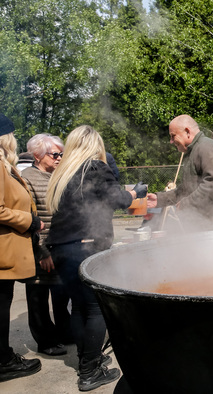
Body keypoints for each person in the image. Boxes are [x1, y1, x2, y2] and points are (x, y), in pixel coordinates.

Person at [45, 125, 147, 391]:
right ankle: (89, 372)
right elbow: (119, 200)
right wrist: (136, 192)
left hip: (61, 248)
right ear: (94, 145)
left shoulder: (63, 173)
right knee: (95, 308)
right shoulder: (95, 168)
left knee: (79, 307)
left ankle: (86, 360)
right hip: (87, 246)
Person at [0, 113, 43, 382]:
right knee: (1, 307)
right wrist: (29, 221)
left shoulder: (6, 166)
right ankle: (4, 362)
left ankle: (3, 355)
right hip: (3, 250)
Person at [21, 134, 72, 357]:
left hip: (61, 245)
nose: (60, 158)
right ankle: (45, 340)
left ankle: (64, 331)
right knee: (38, 296)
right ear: (37, 156)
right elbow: (28, 218)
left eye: (62, 154)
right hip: (39, 248)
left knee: (62, 293)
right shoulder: (26, 178)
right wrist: (40, 251)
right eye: (55, 154)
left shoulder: (58, 175)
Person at [146, 115, 213, 230]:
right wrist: (159, 199)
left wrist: (186, 203)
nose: (171, 141)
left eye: (173, 136)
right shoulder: (194, 150)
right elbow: (185, 190)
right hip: (207, 225)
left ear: (187, 132)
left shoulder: (205, 147)